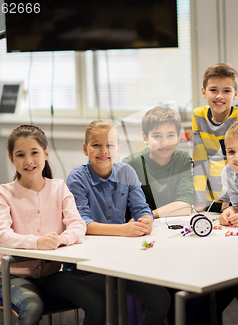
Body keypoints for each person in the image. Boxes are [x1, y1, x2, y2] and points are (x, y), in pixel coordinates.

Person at [0, 124, 105, 325]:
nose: (28, 161)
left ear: (46, 153)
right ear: (11, 158)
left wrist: (63, 238)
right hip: (14, 278)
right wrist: (37, 243)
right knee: (33, 307)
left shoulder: (59, 187)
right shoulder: (4, 192)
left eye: (34, 152)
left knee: (97, 304)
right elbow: (1, 234)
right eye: (20, 155)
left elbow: (78, 225)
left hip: (52, 275)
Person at [65, 120, 170, 325]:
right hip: (86, 265)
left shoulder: (127, 172)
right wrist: (124, 230)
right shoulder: (77, 179)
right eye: (96, 145)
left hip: (119, 260)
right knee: (107, 305)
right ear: (85, 149)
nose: (104, 151)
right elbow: (83, 224)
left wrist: (146, 220)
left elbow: (142, 209)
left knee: (160, 299)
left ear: (118, 148)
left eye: (110, 145)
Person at [192, 62, 238, 212]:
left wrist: (228, 197)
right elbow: (199, 159)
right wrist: (198, 198)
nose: (219, 96)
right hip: (208, 197)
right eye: (213, 90)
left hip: (234, 196)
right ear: (203, 92)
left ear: (235, 94)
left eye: (226, 90)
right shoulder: (198, 115)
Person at [122, 106, 194, 219]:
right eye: (157, 136)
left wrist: (149, 215)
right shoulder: (129, 165)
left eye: (170, 135)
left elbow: (184, 206)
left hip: (169, 225)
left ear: (178, 138)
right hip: (138, 227)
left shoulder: (183, 159)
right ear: (145, 138)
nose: (164, 143)